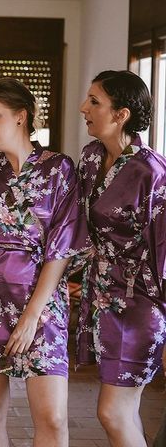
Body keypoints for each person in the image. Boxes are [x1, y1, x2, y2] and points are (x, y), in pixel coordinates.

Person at [0, 78, 90, 447]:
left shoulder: (59, 168)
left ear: (22, 117)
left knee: (53, 419)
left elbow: (62, 245)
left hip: (42, 307)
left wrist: (31, 317)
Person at [76, 70, 166, 447]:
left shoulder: (152, 172)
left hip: (141, 304)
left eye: (95, 102)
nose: (84, 108)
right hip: (100, 297)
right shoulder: (90, 158)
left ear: (121, 114)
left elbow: (164, 251)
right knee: (124, 413)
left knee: (112, 412)